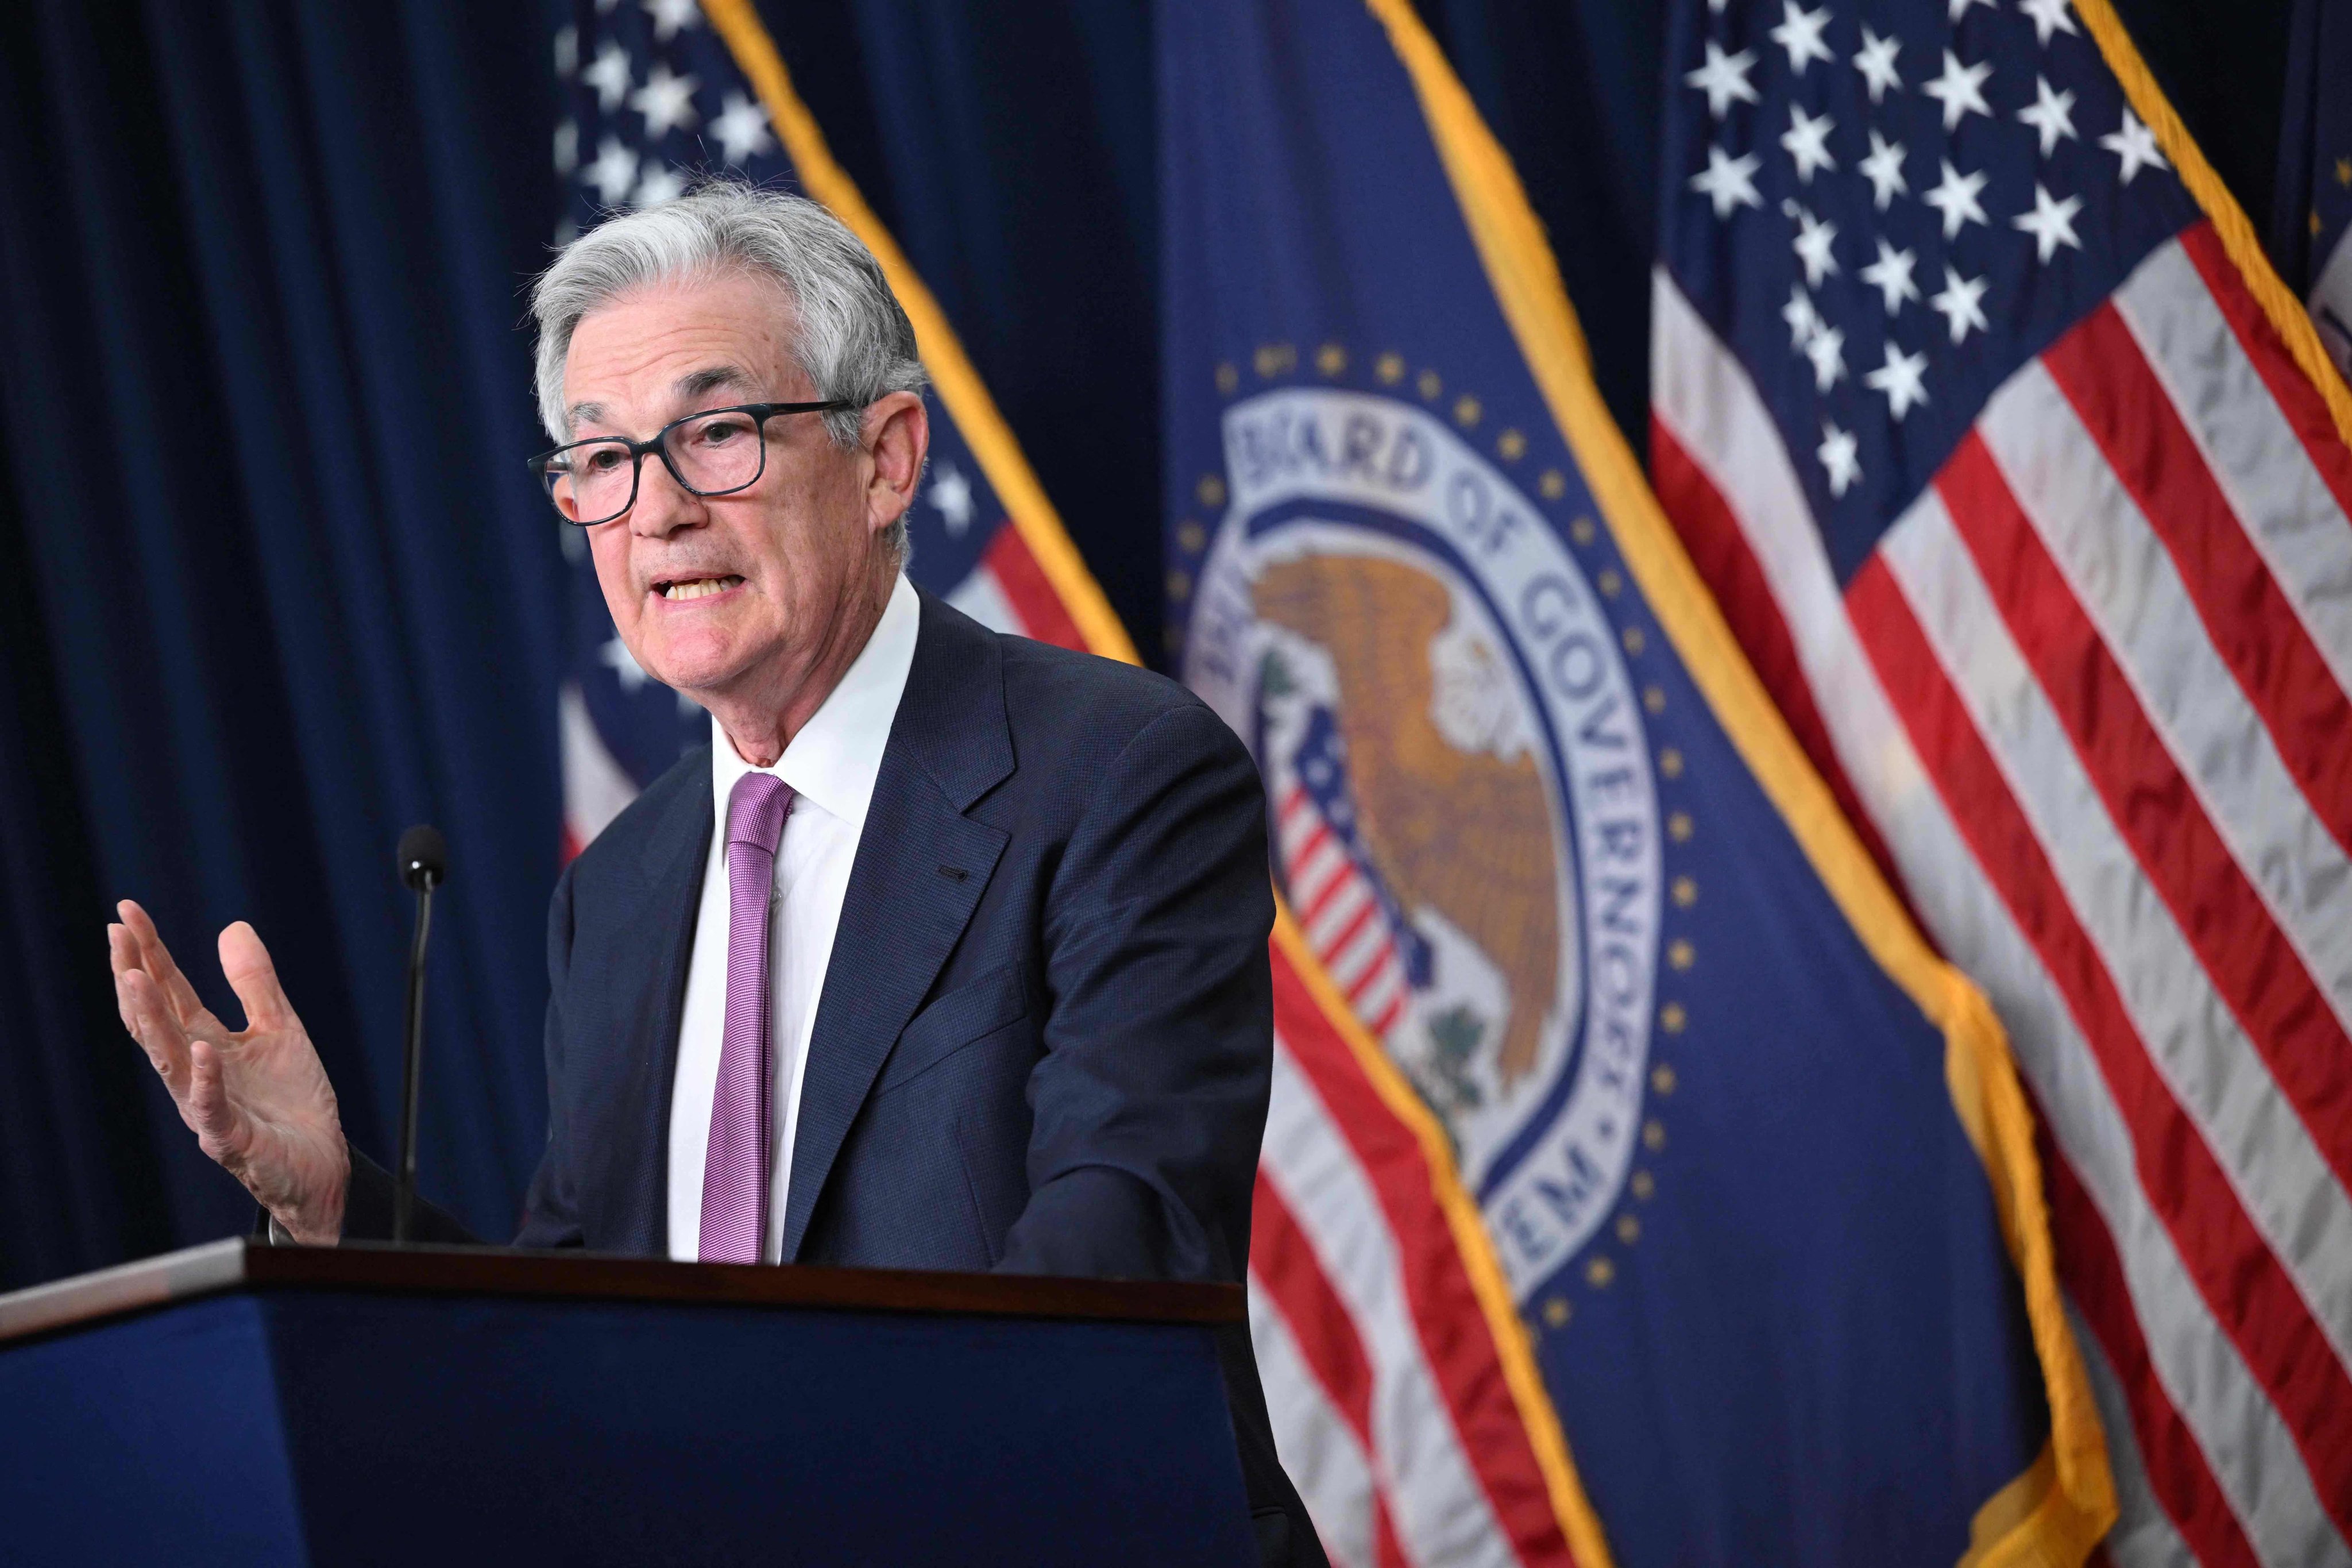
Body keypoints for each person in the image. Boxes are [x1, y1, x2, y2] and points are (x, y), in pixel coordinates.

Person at [106, 182, 1321, 1566]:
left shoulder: (1118, 772)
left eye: (718, 432)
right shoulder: (617, 891)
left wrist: (768, 1489)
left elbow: (1123, 1252)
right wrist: (336, 1205)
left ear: (886, 458)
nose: (657, 512)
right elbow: (584, 1324)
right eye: (602, 460)